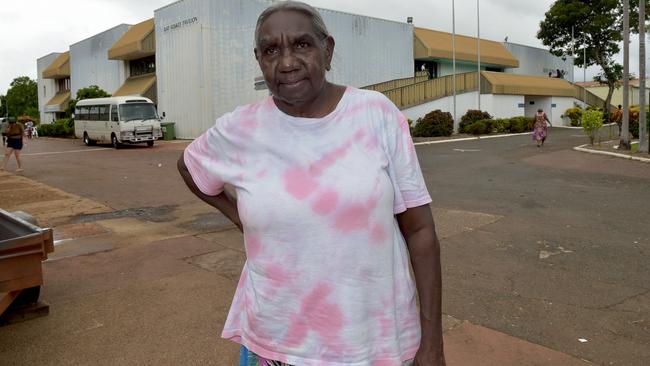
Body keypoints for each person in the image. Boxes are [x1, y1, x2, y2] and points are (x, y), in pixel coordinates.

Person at [177, 2, 445, 365]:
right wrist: (239, 216)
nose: (286, 62)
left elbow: (420, 231)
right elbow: (189, 167)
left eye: (302, 44)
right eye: (271, 50)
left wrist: (432, 345)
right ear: (259, 60)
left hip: (374, 343)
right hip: (277, 345)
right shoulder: (240, 129)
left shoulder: (376, 114)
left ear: (328, 50)